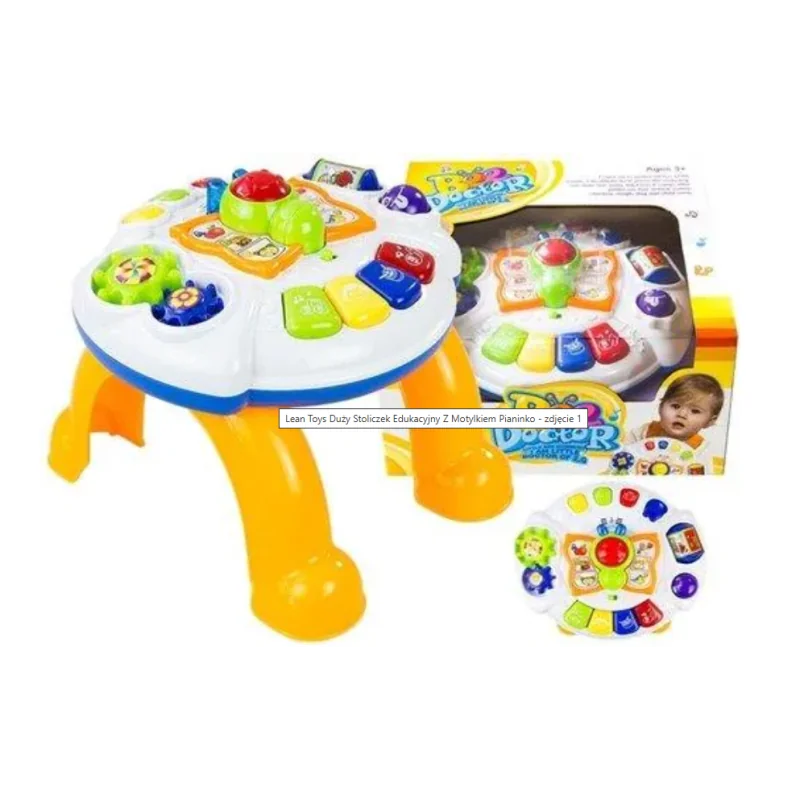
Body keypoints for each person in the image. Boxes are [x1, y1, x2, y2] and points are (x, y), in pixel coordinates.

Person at [625, 373, 724, 448]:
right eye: (676, 406)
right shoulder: (644, 432)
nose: (682, 414)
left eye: (695, 411)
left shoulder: (702, 449)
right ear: (660, 407)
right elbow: (623, 452)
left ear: (709, 422)